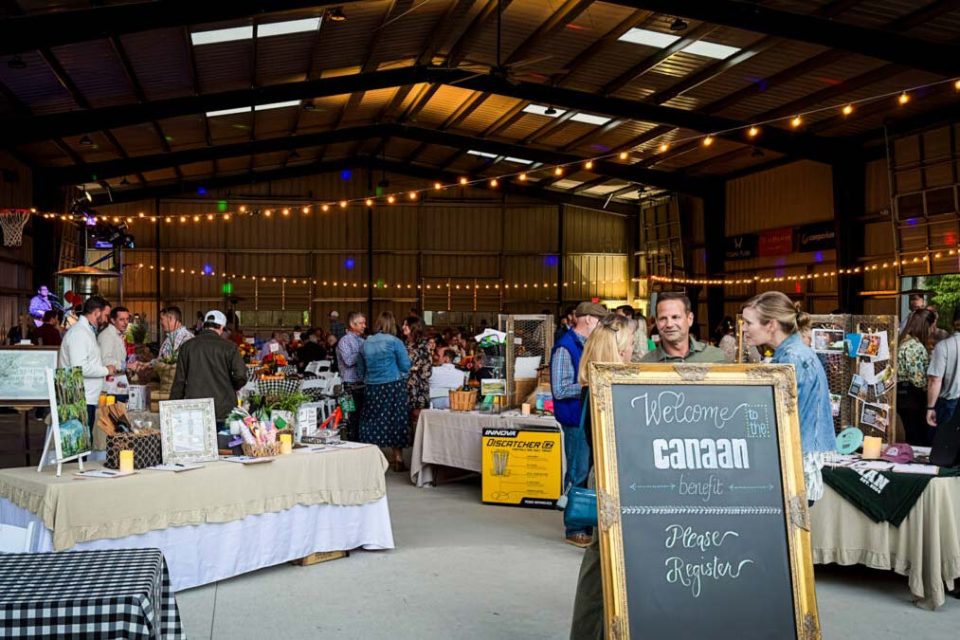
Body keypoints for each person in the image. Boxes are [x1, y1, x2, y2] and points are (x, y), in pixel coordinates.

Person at [569, 313, 637, 640]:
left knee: (601, 559)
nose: (635, 349)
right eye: (632, 343)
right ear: (619, 348)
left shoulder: (596, 385)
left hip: (607, 475)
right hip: (614, 479)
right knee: (604, 560)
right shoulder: (611, 391)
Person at [741, 291, 837, 504]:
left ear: (771, 325)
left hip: (794, 464)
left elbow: (779, 414)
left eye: (749, 322)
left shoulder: (792, 358)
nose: (744, 328)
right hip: (797, 460)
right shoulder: (793, 354)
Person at [551, 301, 608, 547]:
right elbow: (560, 388)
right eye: (600, 321)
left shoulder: (587, 345)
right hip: (575, 419)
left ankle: (586, 519)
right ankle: (574, 526)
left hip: (588, 417)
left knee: (589, 471)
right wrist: (590, 383)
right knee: (578, 471)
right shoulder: (565, 347)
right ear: (587, 320)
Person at [170, 310, 247, 426]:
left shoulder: (187, 347)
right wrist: (230, 387)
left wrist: (173, 408)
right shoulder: (230, 347)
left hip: (195, 409)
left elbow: (179, 382)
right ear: (221, 327)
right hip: (223, 408)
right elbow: (240, 376)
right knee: (223, 443)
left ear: (204, 325)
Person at [359, 311, 411, 472]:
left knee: (372, 420)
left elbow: (361, 369)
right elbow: (405, 365)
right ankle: (398, 459)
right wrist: (401, 374)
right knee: (396, 420)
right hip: (393, 385)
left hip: (372, 386)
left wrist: (369, 377)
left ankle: (375, 459)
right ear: (391, 324)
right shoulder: (395, 342)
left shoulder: (365, 343)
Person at [59, 296, 115, 428]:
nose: (107, 320)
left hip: (85, 396)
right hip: (78, 397)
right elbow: (80, 368)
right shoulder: (79, 333)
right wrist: (106, 370)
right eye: (106, 315)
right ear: (96, 312)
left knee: (84, 443)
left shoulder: (86, 331)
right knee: (78, 445)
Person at [641, 293, 728, 364]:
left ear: (690, 319)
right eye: (663, 318)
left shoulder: (717, 357)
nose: (669, 324)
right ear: (656, 322)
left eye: (675, 317)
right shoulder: (646, 364)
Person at [898, 309, 935, 445]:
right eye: (932, 325)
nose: (933, 329)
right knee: (919, 437)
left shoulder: (902, 341)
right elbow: (918, 380)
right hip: (913, 397)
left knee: (911, 433)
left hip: (902, 395)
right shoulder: (915, 346)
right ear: (926, 326)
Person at [926, 306, 960, 437]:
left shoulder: (944, 346)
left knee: (944, 446)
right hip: (951, 404)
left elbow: (935, 380)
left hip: (949, 405)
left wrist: (930, 408)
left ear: (953, 323)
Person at [336, 311, 367, 440]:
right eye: (361, 323)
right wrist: (363, 351)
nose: (364, 326)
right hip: (348, 385)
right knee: (349, 417)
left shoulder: (362, 340)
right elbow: (348, 361)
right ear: (352, 324)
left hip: (362, 383)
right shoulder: (344, 341)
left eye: (364, 323)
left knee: (362, 416)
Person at [402, 317, 432, 441]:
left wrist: (411, 368)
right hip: (404, 385)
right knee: (405, 415)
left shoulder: (423, 345)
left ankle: (419, 443)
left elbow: (425, 368)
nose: (403, 327)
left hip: (418, 386)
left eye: (406, 325)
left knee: (417, 415)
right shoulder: (402, 344)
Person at [98, 306, 132, 399]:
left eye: (127, 319)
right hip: (109, 388)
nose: (125, 323)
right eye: (121, 319)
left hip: (118, 384)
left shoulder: (118, 334)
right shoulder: (107, 335)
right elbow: (105, 360)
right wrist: (126, 365)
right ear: (112, 320)